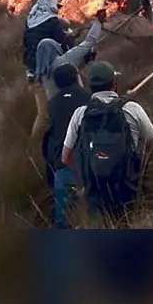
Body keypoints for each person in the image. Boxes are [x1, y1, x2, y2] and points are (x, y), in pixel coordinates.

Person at [62, 61, 153, 224]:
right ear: (114, 83)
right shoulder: (133, 109)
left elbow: (65, 157)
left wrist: (86, 177)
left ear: (89, 86)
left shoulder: (80, 114)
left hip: (94, 191)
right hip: (129, 187)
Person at [31, 8, 105, 137]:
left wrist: (82, 62)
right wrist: (98, 22)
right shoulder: (64, 60)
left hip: (58, 114)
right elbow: (89, 41)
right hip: (75, 107)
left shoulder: (42, 74)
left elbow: (68, 72)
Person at [42, 62, 91, 228]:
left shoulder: (52, 103)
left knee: (62, 214)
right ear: (76, 77)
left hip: (61, 162)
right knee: (89, 210)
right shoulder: (88, 97)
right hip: (85, 162)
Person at [22, 0, 73, 79]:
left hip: (31, 61)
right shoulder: (53, 22)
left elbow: (25, 42)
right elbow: (62, 41)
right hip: (47, 63)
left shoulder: (30, 20)